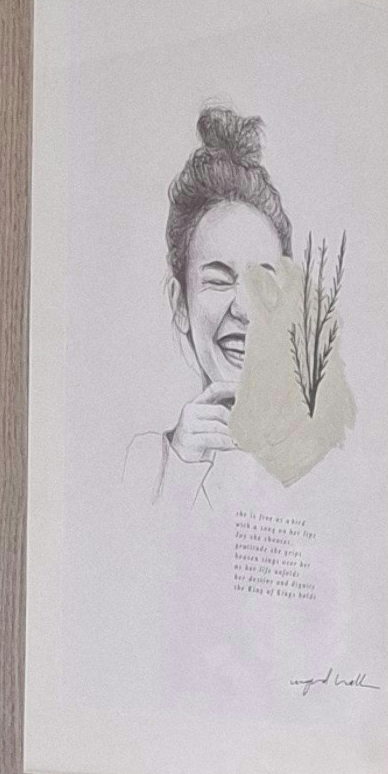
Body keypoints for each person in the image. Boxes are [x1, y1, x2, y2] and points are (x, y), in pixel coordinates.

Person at [144, 105, 291, 496]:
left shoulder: (324, 465)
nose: (242, 309)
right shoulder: (143, 467)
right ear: (180, 304)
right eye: (218, 280)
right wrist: (179, 464)